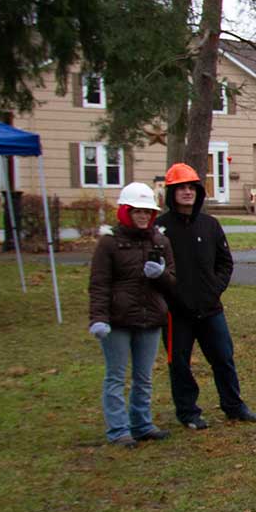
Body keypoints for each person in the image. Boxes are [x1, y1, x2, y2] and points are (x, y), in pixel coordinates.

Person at [158, 163, 256, 429]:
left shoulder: (210, 225)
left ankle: (234, 406)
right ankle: (188, 412)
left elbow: (225, 263)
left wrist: (215, 289)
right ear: (171, 193)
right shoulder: (160, 229)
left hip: (210, 308)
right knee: (179, 363)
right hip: (176, 313)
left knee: (224, 359)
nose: (187, 192)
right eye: (180, 188)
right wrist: (170, 296)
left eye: (191, 187)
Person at [88, 183, 177, 448]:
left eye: (147, 212)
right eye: (137, 211)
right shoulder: (109, 243)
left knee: (144, 376)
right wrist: (99, 318)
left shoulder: (160, 241)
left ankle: (141, 423)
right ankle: (118, 430)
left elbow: (172, 281)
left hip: (150, 318)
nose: (142, 216)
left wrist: (160, 275)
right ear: (126, 211)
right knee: (116, 376)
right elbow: (99, 283)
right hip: (117, 320)